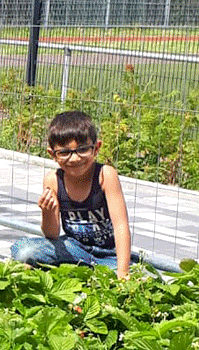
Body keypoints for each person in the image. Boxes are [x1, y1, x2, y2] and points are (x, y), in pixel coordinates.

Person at [11, 110, 134, 280]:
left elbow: (121, 226)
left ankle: (71, 272)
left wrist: (123, 273)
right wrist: (47, 211)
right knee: (25, 251)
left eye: (82, 150)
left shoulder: (106, 175)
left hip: (108, 255)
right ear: (52, 154)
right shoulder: (53, 180)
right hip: (74, 248)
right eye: (64, 152)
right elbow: (52, 234)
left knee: (146, 275)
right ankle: (81, 273)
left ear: (96, 148)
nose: (75, 158)